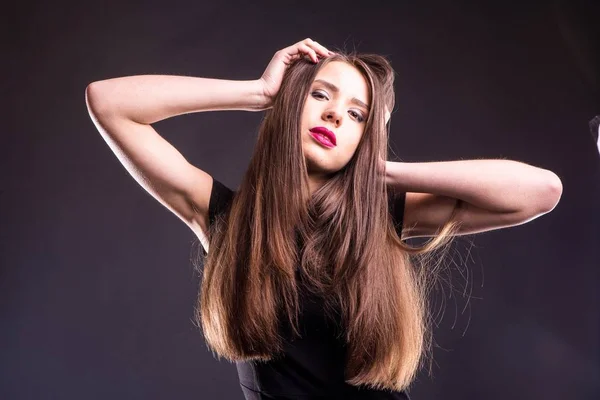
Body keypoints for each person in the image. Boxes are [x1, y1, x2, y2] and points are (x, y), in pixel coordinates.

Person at [85, 38, 563, 399]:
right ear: (292, 104)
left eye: (358, 115)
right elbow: (109, 102)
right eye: (321, 96)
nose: (336, 116)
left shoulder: (385, 217)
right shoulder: (227, 220)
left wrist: (382, 167)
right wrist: (258, 91)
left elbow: (540, 191)